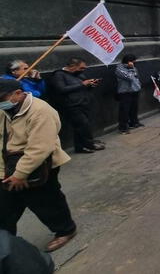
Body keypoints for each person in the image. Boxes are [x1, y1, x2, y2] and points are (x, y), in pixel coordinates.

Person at [0, 79, 77, 252]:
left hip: (41, 164)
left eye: (1, 99)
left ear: (18, 94)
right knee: (4, 206)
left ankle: (66, 230)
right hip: (9, 163)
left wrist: (20, 174)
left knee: (46, 201)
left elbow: (40, 148)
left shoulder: (41, 111)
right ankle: (5, 242)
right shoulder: (4, 110)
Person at [50, 57, 105, 154]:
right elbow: (62, 89)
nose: (83, 70)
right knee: (83, 125)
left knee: (81, 126)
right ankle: (88, 145)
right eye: (81, 68)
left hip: (83, 103)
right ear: (72, 66)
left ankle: (81, 146)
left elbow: (83, 87)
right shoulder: (59, 75)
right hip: (71, 105)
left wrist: (90, 85)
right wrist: (83, 84)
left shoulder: (78, 74)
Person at [115, 54, 143, 134]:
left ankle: (134, 123)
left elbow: (136, 77)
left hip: (134, 90)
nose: (134, 64)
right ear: (128, 62)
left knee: (134, 108)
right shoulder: (119, 69)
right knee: (124, 110)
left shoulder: (133, 67)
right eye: (133, 62)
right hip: (125, 92)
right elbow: (129, 77)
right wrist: (131, 68)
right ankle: (123, 127)